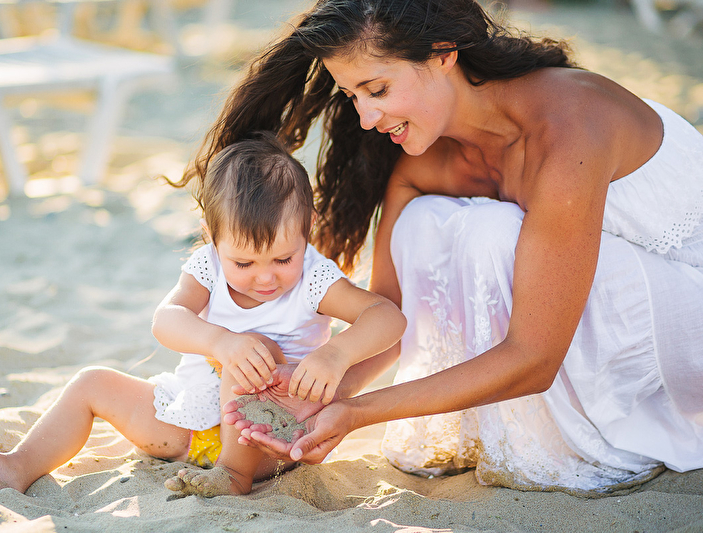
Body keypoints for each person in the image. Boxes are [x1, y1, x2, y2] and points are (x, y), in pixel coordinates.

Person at [175, 0, 703, 494]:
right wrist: (321, 396)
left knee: (491, 235)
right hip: (602, 326)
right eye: (353, 96)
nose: (365, 118)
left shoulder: (569, 127)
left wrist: (360, 415)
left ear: (444, 54)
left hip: (687, 316)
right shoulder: (424, 162)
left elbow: (535, 356)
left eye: (378, 89)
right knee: (426, 222)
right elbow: (392, 319)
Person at [0, 133, 407, 497]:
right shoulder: (207, 267)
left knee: (256, 353)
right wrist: (219, 341)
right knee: (91, 382)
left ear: (307, 230)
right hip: (184, 422)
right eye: (243, 263)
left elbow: (388, 318)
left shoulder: (314, 278)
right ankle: (17, 467)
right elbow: (167, 319)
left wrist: (335, 354)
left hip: (268, 439)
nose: (265, 277)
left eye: (283, 258)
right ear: (211, 238)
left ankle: (233, 477)